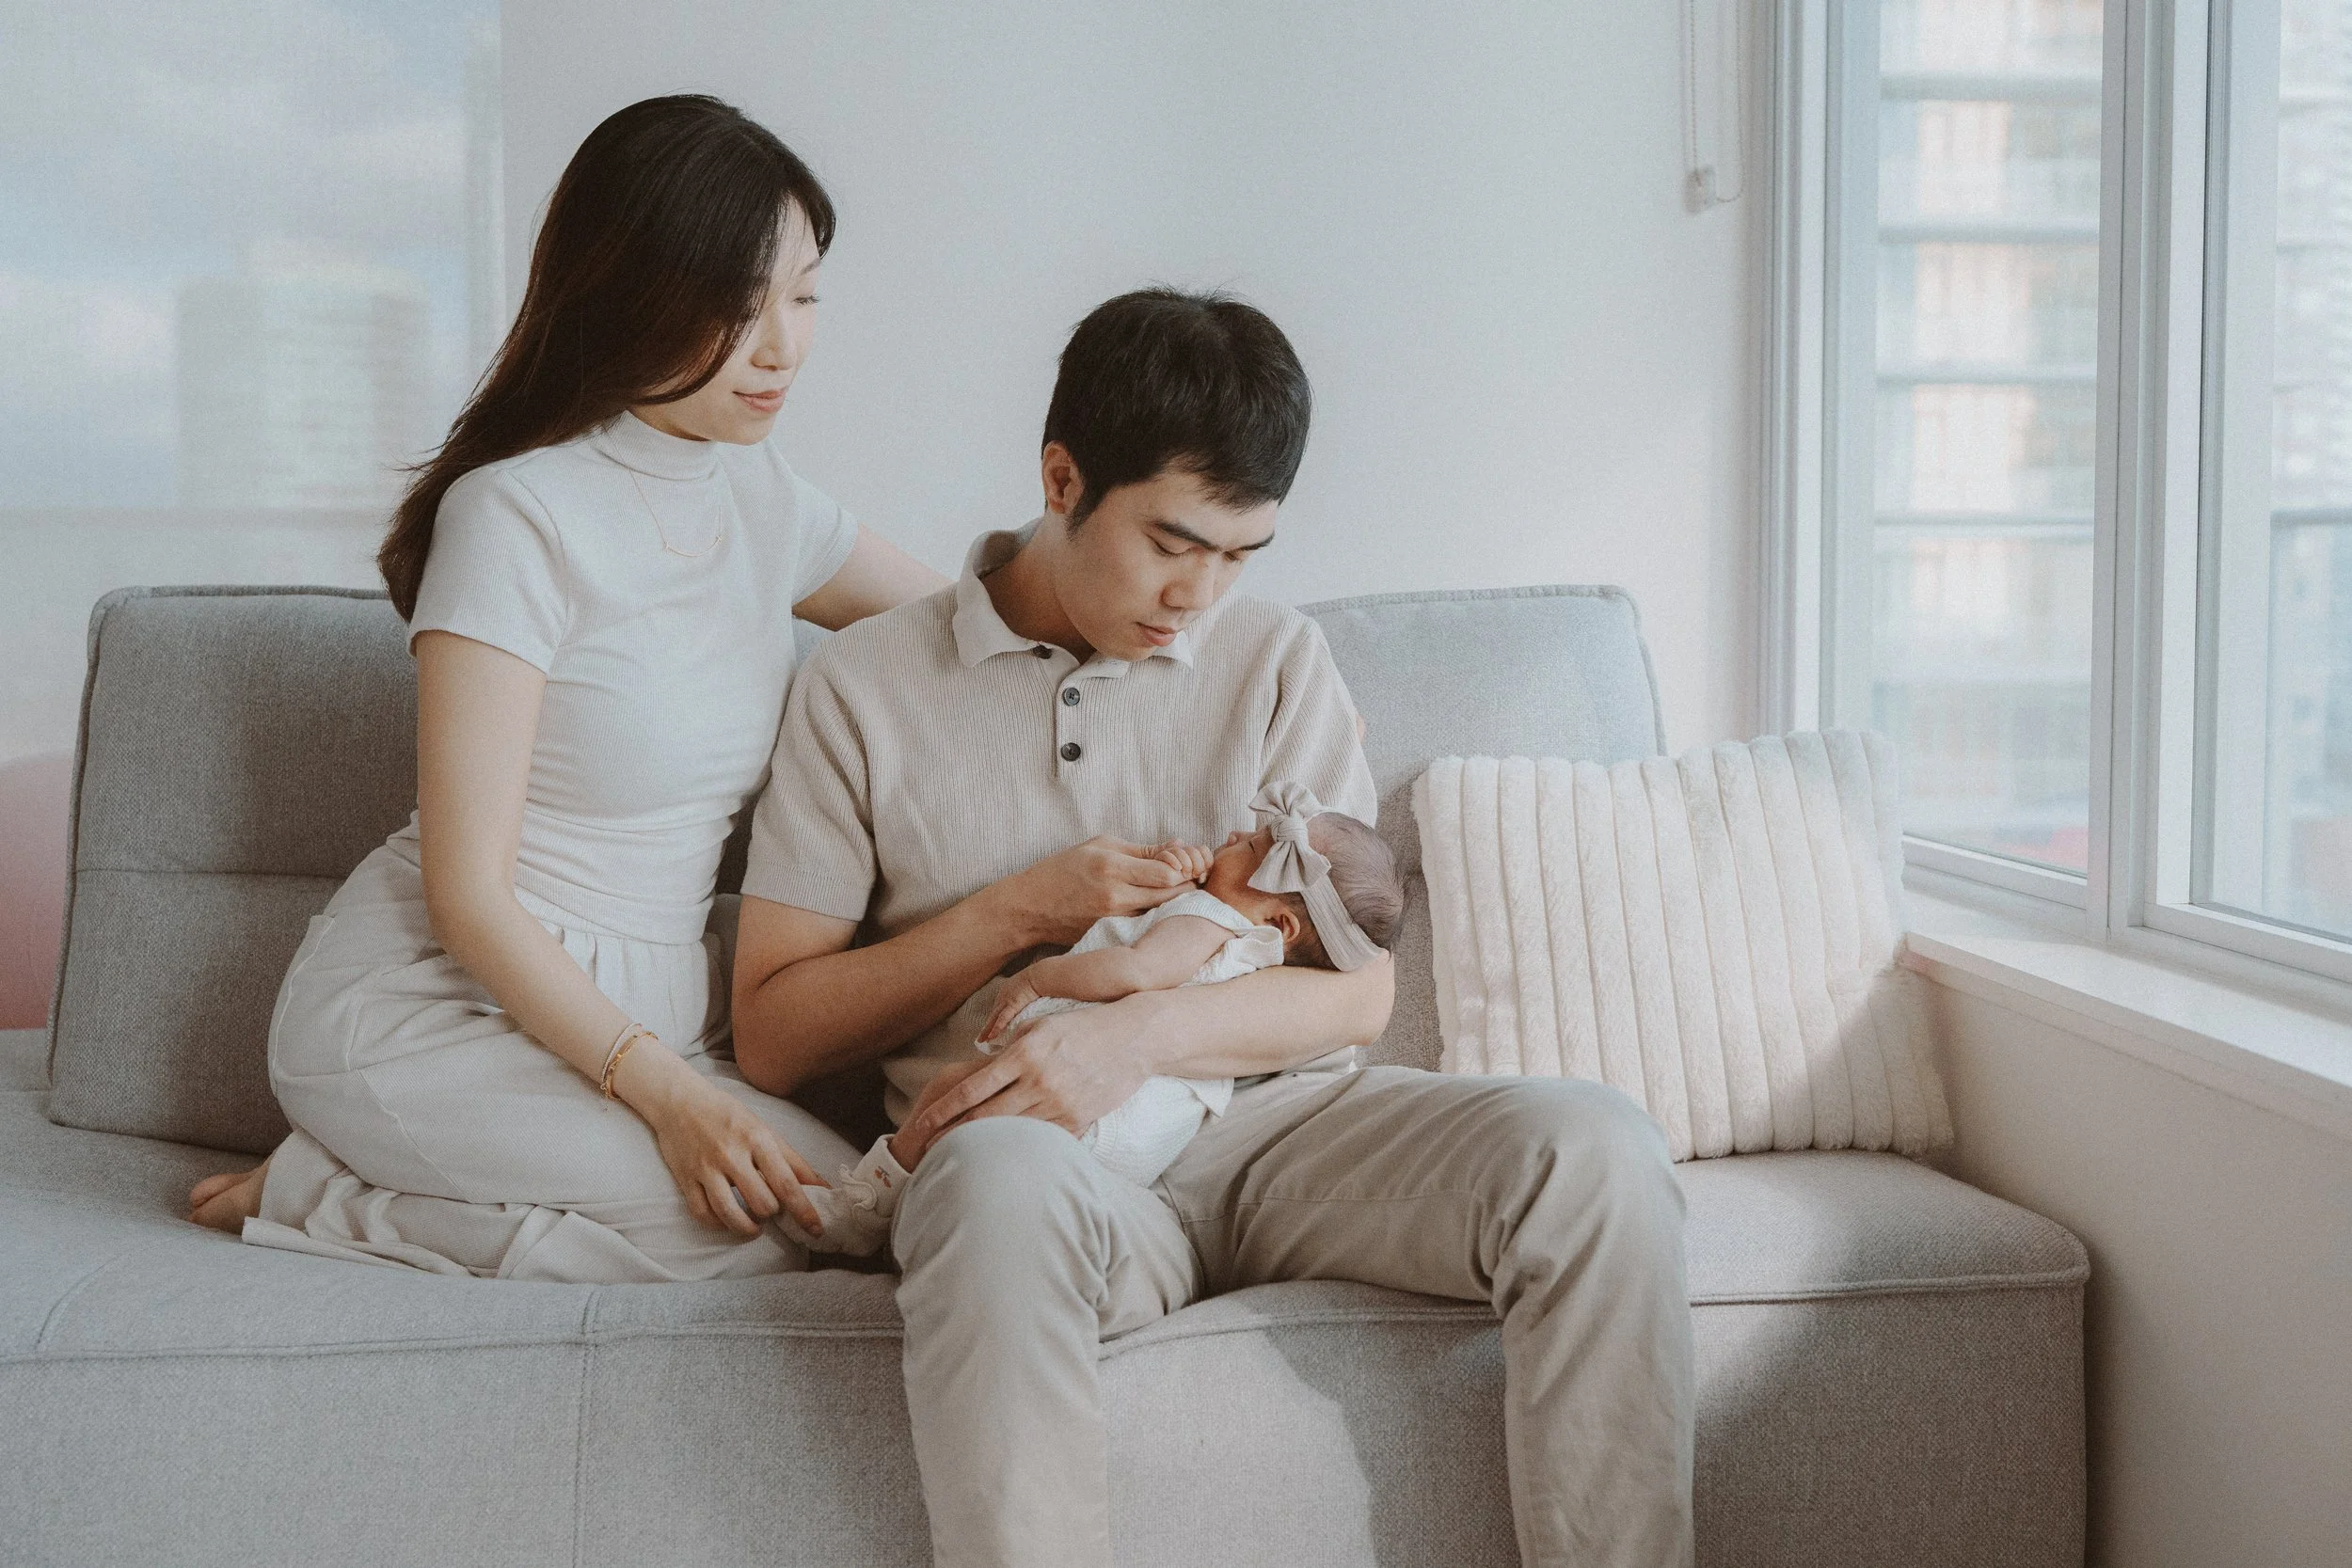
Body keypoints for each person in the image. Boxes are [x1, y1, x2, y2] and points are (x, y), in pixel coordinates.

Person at [730, 287, 1697, 1567]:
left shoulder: (1276, 659)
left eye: (1243, 553)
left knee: (1601, 1146)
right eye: (1174, 541)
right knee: (990, 1179)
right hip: (1049, 1166)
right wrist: (1020, 910)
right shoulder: (860, 690)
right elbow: (775, 1033)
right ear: (1062, 476)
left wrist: (1143, 1036)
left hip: (1292, 1137)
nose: (1202, 593)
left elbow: (1354, 992)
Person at [184, 95, 946, 1280]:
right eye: (734, 303)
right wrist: (668, 1098)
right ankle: (326, 1192)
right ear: (624, 291)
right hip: (432, 1012)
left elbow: (964, 628)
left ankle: (356, 1184)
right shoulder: (517, 514)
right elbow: (469, 898)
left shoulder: (768, 502)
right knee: (774, 1243)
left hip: (641, 1015)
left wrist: (1145, 605)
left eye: (801, 294)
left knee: (864, 1212)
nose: (781, 346)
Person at [801, 783, 1405, 1253]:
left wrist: (1038, 976)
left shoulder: (1209, 920)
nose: (1231, 834)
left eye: (1248, 848)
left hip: (1094, 1098)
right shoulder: (1247, 950)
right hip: (1138, 1135)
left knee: (943, 1100)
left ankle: (864, 1212)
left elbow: (1135, 970)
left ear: (1281, 924)